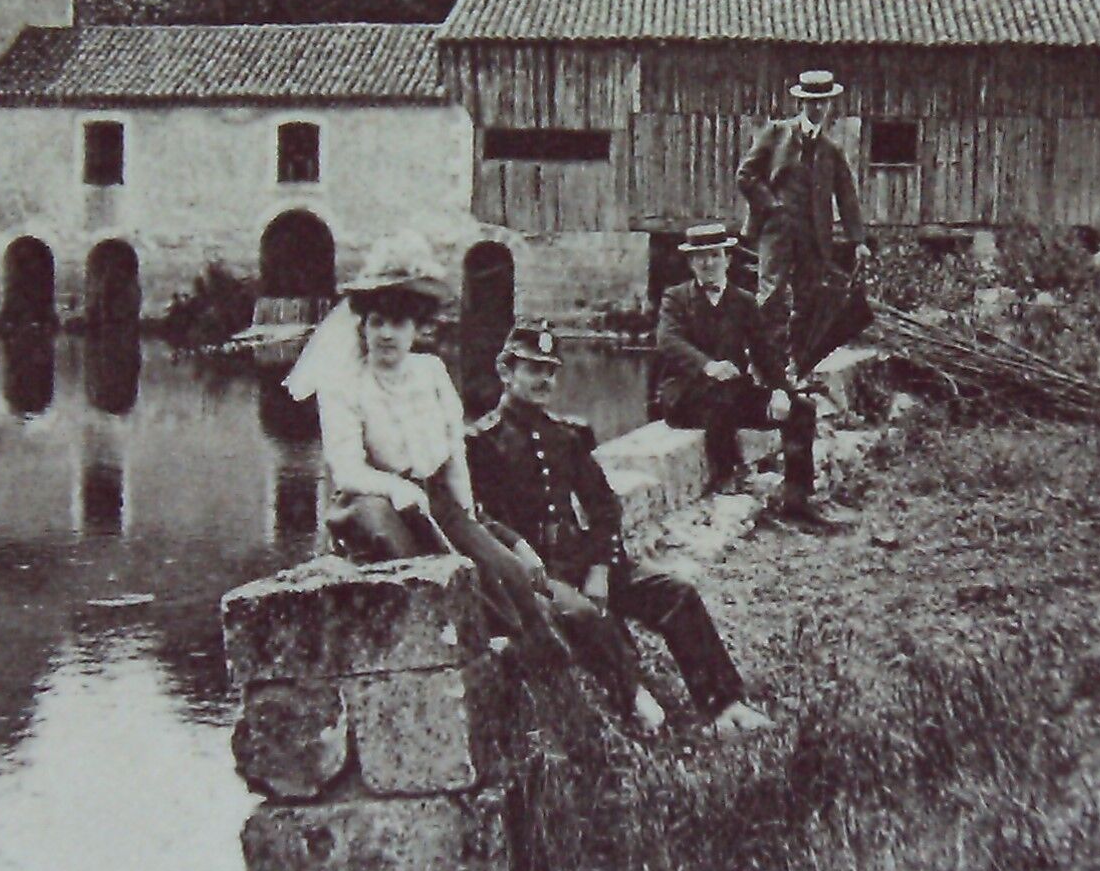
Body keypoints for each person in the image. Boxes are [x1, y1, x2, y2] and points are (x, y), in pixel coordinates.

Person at [468, 322, 771, 738]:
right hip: (535, 574)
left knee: (675, 594)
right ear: (506, 371)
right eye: (533, 369)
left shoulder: (566, 435)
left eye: (551, 370)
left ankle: (724, 705)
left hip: (581, 558)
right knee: (584, 615)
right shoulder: (481, 442)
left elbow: (603, 506)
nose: (545, 380)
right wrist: (517, 545)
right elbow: (477, 516)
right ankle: (634, 706)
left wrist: (601, 566)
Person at [288, 240, 554, 644]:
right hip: (383, 503)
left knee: (507, 573)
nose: (386, 335)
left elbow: (453, 444)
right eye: (377, 322)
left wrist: (465, 507)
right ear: (364, 326)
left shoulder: (431, 372)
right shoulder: (344, 385)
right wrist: (396, 487)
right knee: (456, 580)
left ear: (417, 328)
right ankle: (483, 642)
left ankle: (537, 650)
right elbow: (346, 468)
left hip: (439, 501)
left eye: (398, 324)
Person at [652, 222, 837, 529]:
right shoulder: (676, 298)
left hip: (731, 396)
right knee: (719, 398)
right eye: (700, 257)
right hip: (686, 396)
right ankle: (727, 475)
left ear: (727, 258)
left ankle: (797, 498)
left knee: (801, 409)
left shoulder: (744, 302)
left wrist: (781, 390)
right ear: (690, 262)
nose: (708, 263)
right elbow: (667, 340)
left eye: (714, 255)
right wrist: (708, 365)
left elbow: (764, 353)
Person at [736, 67, 869, 371]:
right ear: (801, 104)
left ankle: (795, 365)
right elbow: (745, 176)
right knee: (770, 295)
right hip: (777, 230)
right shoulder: (777, 133)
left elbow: (846, 196)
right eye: (812, 102)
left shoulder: (831, 150)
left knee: (809, 300)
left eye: (823, 102)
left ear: (830, 105)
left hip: (814, 236)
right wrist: (770, 205)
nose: (818, 108)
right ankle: (762, 364)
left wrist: (858, 240)